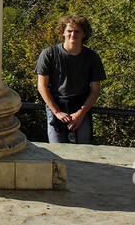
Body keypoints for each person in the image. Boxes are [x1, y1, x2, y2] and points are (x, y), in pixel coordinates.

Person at [36, 14, 105, 145]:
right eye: (69, 31)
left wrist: (81, 113)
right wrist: (57, 112)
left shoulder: (92, 57)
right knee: (58, 151)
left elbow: (95, 90)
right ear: (63, 32)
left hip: (81, 106)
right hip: (56, 105)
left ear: (84, 34)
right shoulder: (49, 54)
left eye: (77, 31)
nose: (73, 35)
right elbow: (42, 86)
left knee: (84, 149)